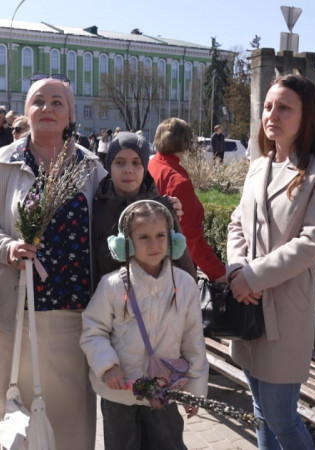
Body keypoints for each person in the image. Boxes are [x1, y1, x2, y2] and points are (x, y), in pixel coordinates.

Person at [0, 74, 106, 450]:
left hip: (74, 315)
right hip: (14, 312)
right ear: (25, 111)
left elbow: (116, 213)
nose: (47, 108)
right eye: (38, 101)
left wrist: (161, 206)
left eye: (57, 102)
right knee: (9, 407)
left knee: (69, 413)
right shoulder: (2, 161)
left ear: (71, 114)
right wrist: (6, 247)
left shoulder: (90, 166)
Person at [227, 74, 315, 449]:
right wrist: (236, 270)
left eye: (284, 107)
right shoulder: (259, 165)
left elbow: (312, 242)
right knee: (260, 410)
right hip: (247, 302)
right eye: (268, 106)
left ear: (306, 114)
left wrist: (251, 277)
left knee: (281, 415)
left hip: (286, 304)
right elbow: (237, 224)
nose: (272, 115)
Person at [81, 200, 209, 450]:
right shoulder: (112, 285)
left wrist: (195, 389)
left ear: (172, 239)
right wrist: (108, 366)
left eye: (161, 235)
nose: (154, 244)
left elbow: (193, 340)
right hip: (120, 395)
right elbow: (93, 330)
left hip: (165, 394)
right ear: (126, 243)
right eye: (143, 237)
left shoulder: (184, 285)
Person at [91, 131, 195, 288]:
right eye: (119, 162)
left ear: (145, 168)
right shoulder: (96, 206)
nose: (128, 169)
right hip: (108, 298)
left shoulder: (161, 209)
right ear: (109, 166)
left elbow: (183, 263)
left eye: (136, 163)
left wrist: (189, 293)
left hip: (157, 298)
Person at [148, 118, 226, 282]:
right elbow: (191, 238)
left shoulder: (150, 165)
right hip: (175, 273)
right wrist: (219, 274)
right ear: (185, 142)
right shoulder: (178, 180)